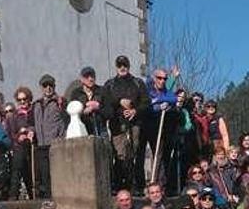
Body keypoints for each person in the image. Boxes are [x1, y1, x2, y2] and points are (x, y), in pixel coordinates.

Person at [104, 55, 149, 192]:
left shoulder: (138, 82)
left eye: (125, 65)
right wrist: (119, 101)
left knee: (135, 155)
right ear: (116, 67)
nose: (122, 68)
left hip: (135, 125)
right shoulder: (110, 84)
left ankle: (136, 186)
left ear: (128, 66)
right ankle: (120, 187)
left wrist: (135, 110)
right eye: (119, 65)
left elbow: (146, 102)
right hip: (117, 126)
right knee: (120, 156)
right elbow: (105, 103)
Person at [33, 74, 68, 198]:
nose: (48, 88)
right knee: (44, 175)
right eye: (45, 85)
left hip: (55, 144)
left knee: (57, 173)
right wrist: (31, 131)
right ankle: (48, 199)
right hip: (41, 144)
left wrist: (61, 138)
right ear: (41, 87)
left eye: (50, 85)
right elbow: (32, 122)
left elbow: (66, 121)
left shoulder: (60, 102)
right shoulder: (36, 104)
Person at [142, 68, 177, 188]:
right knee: (141, 154)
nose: (162, 81)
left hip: (159, 127)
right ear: (154, 78)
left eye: (165, 79)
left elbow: (173, 98)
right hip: (145, 125)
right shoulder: (147, 89)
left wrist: (163, 101)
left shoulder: (165, 91)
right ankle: (142, 183)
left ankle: (159, 183)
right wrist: (157, 103)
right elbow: (145, 103)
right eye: (159, 78)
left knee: (159, 154)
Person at [7, 87, 36, 199]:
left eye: (25, 99)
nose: (22, 101)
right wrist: (19, 136)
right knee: (17, 172)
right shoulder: (13, 116)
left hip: (32, 148)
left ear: (29, 99)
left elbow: (38, 125)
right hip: (19, 148)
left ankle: (34, 197)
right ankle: (13, 197)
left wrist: (31, 131)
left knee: (31, 176)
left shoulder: (34, 112)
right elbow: (11, 133)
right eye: (19, 100)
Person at [70, 66, 111, 137]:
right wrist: (83, 111)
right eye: (87, 77)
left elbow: (110, 113)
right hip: (84, 132)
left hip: (101, 132)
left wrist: (98, 107)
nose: (90, 79)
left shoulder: (103, 91)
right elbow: (71, 115)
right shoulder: (76, 94)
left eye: (92, 76)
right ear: (82, 79)